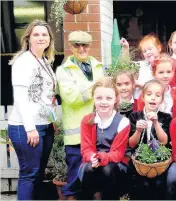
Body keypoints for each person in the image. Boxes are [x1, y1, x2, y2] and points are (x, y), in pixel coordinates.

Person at [7, 20, 56, 200]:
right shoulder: (23, 61)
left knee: (38, 174)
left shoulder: (44, 60)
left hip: (44, 125)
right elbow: (21, 97)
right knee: (29, 174)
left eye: (44, 35)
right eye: (36, 34)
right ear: (28, 38)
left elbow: (47, 96)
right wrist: (30, 128)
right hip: (26, 127)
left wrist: (52, 120)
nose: (41, 38)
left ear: (49, 39)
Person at [56, 30, 105, 199]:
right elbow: (72, 98)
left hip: (98, 131)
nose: (81, 48)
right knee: (74, 178)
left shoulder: (98, 66)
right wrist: (96, 88)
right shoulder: (64, 70)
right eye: (77, 45)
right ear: (71, 46)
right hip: (76, 134)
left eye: (85, 45)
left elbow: (106, 93)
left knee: (96, 176)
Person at [79, 77, 130, 200]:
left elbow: (117, 154)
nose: (104, 102)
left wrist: (102, 157)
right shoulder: (87, 120)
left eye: (109, 98)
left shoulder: (123, 122)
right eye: (99, 98)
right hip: (92, 162)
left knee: (107, 169)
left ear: (115, 99)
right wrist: (92, 157)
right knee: (88, 169)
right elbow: (86, 149)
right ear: (93, 99)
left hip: (115, 165)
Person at [128, 79, 172, 200]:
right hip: (138, 161)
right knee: (142, 184)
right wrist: (138, 131)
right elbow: (132, 144)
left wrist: (156, 123)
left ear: (162, 100)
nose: (153, 98)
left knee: (158, 184)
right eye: (149, 94)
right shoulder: (134, 116)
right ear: (142, 97)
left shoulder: (166, 117)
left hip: (159, 161)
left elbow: (164, 141)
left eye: (157, 95)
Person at [121, 34, 163, 100]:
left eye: (150, 49)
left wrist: (141, 84)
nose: (148, 52)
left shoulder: (163, 64)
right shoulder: (143, 64)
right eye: (144, 51)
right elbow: (126, 65)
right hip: (139, 99)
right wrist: (126, 48)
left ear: (159, 48)